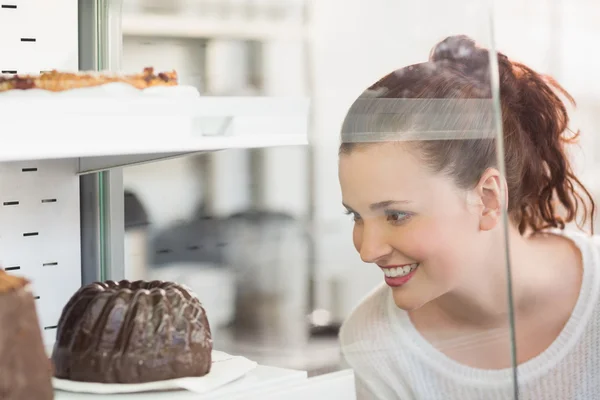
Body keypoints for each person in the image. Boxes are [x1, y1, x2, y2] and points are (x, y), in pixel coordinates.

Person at [337, 35, 599, 399]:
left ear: (488, 199)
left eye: (396, 215)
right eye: (356, 216)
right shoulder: (373, 341)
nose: (367, 250)